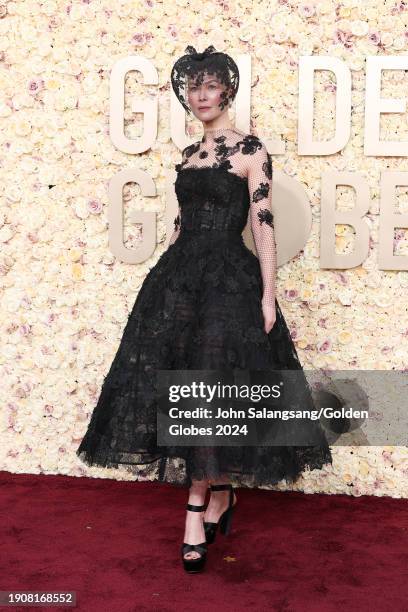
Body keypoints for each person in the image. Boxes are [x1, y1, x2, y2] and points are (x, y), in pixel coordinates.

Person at [76, 45, 333, 574]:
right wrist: (164, 283)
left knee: (215, 387)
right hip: (180, 280)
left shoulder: (251, 150)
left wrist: (268, 294)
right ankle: (221, 496)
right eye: (192, 87)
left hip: (229, 282)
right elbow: (181, 226)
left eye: (210, 85)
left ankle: (196, 512)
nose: (200, 95)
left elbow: (262, 223)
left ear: (227, 91)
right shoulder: (190, 156)